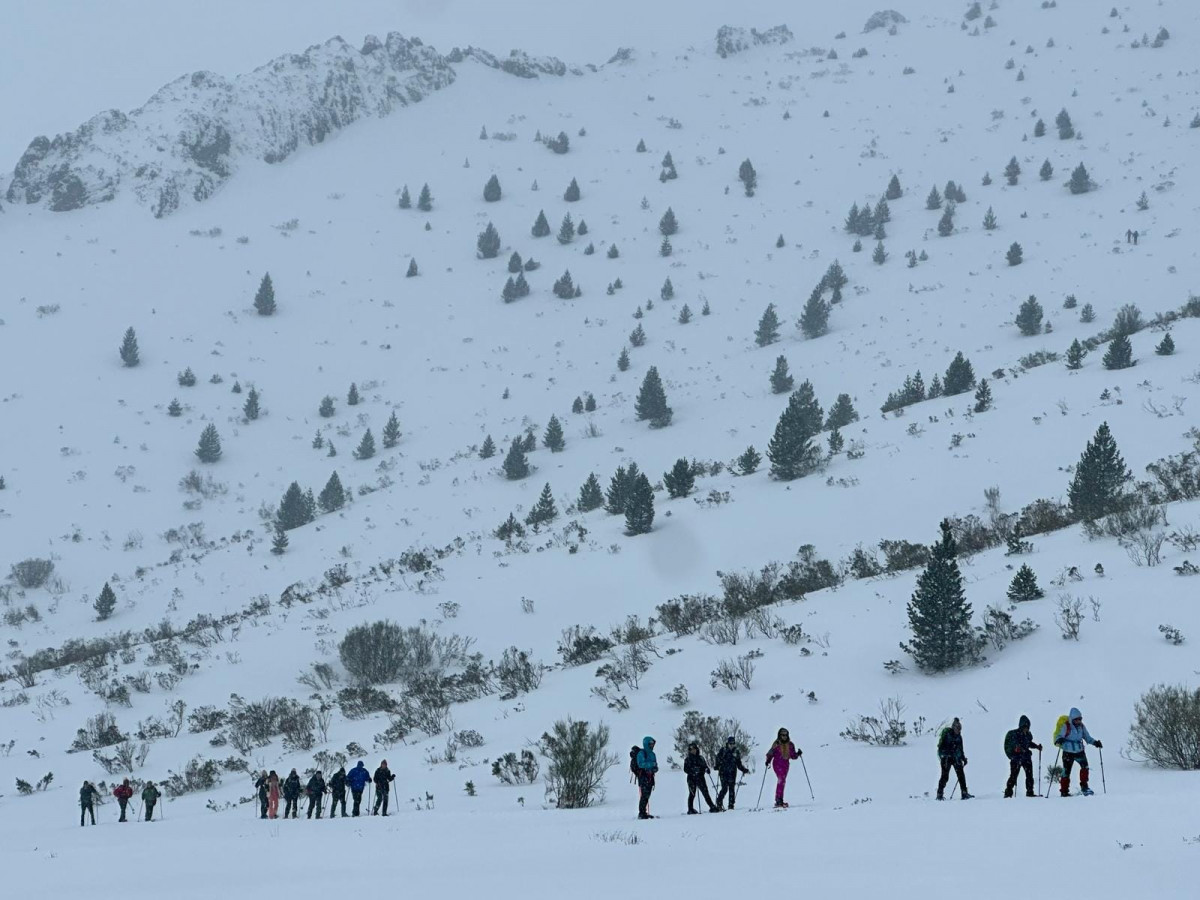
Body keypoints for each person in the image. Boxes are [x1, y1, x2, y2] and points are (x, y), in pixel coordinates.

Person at [1055, 707, 1102, 796]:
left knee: (1085, 767)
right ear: (1072, 719)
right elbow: (1059, 736)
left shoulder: (1081, 727)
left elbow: (1087, 737)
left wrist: (1095, 743)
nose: (1079, 721)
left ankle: (1084, 787)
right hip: (1068, 752)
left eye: (1080, 719)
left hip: (1079, 751)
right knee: (1066, 771)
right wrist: (1059, 740)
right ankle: (1064, 791)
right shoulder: (1066, 726)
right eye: (1077, 719)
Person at [1004, 715, 1044, 798]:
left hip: (1025, 758)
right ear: (1021, 726)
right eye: (1025, 726)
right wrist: (1017, 749)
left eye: (1027, 727)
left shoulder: (1028, 735)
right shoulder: (1015, 734)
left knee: (1029, 776)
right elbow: (1014, 744)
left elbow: (1029, 743)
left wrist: (1036, 746)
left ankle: (1030, 792)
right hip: (1016, 758)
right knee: (1014, 776)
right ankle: (1008, 793)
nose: (1026, 728)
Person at [936, 718, 973, 800]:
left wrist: (963, 758)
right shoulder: (947, 734)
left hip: (956, 758)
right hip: (946, 758)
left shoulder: (959, 737)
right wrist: (948, 752)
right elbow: (941, 747)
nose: (959, 731)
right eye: (957, 729)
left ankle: (964, 793)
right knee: (945, 776)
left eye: (960, 729)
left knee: (961, 775)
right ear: (953, 728)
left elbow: (960, 749)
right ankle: (939, 794)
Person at [765, 727, 800, 808]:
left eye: (785, 735)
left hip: (785, 765)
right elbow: (770, 753)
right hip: (777, 764)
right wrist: (768, 761)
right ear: (779, 735)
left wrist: (798, 754)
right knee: (781, 779)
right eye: (782, 735)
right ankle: (778, 800)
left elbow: (793, 756)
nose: (784, 736)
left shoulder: (790, 745)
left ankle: (780, 799)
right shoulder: (776, 744)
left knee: (783, 781)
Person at [715, 736, 750, 810]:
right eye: (730, 743)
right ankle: (719, 803)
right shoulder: (723, 750)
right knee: (724, 788)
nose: (731, 745)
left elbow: (738, 763)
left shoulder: (736, 752)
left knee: (731, 789)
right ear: (727, 743)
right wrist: (718, 765)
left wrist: (743, 769)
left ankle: (731, 805)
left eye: (733, 743)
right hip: (723, 772)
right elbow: (717, 759)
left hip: (732, 773)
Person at [683, 743, 719, 814]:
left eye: (694, 749)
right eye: (691, 749)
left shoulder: (701, 758)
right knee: (692, 793)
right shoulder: (687, 759)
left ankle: (712, 806)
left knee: (705, 792)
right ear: (689, 751)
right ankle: (690, 809)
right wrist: (693, 771)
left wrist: (706, 769)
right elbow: (685, 769)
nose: (693, 751)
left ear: (697, 749)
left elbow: (705, 766)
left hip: (700, 777)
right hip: (691, 779)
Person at [635, 736, 658, 819]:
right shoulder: (641, 753)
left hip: (650, 776)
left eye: (652, 744)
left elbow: (655, 764)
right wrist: (651, 765)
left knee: (647, 795)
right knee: (644, 795)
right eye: (650, 744)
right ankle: (641, 813)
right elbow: (640, 764)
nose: (652, 745)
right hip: (643, 776)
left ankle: (644, 812)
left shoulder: (652, 754)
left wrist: (655, 768)